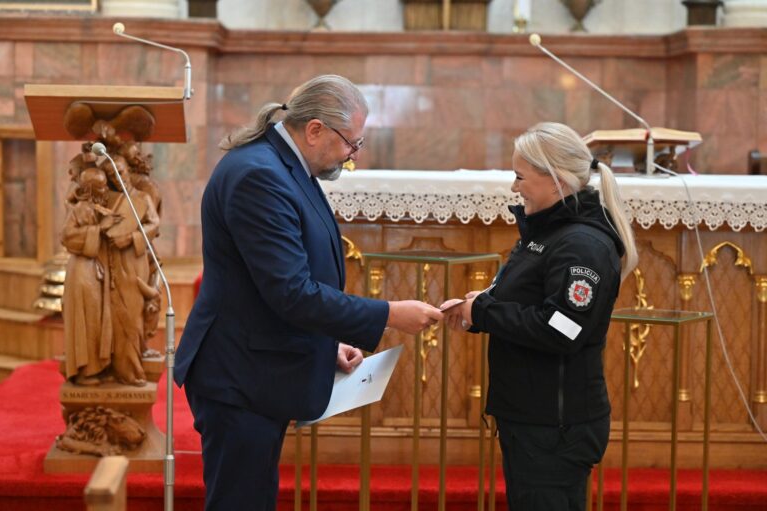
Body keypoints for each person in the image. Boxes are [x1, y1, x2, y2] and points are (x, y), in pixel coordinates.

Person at [174, 74, 443, 511]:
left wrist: (325, 343)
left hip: (259, 367)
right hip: (239, 376)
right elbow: (291, 291)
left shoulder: (282, 164)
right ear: (314, 129)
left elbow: (272, 283)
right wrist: (389, 313)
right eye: (349, 143)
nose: (351, 156)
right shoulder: (259, 176)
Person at [442, 122, 638, 511]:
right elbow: (533, 299)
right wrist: (483, 306)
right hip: (536, 417)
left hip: (554, 427)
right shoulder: (550, 230)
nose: (514, 187)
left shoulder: (580, 244)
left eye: (520, 177)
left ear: (556, 180)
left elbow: (562, 329)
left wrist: (483, 309)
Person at [102, 154, 161, 386]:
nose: (118, 177)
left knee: (132, 316)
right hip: (111, 263)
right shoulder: (109, 200)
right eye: (112, 174)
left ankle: (132, 370)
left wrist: (131, 238)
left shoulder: (142, 198)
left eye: (120, 170)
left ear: (127, 170)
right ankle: (118, 368)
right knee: (116, 317)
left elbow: (154, 224)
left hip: (134, 260)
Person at [61, 167, 120, 385]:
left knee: (95, 318)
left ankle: (96, 367)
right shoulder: (79, 210)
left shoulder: (96, 208)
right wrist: (99, 230)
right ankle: (85, 370)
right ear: (92, 190)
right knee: (86, 319)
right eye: (102, 186)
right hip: (81, 271)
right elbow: (66, 236)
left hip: (92, 270)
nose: (106, 189)